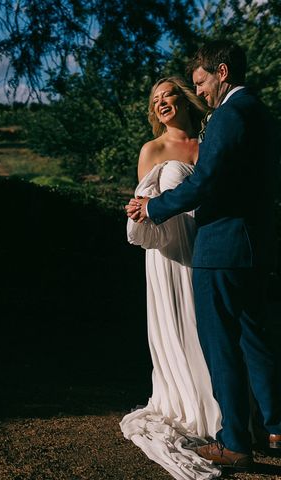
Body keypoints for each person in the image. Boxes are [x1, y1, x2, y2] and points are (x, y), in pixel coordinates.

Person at [126, 40, 281, 472]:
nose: (202, 91)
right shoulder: (264, 115)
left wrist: (155, 207)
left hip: (220, 246)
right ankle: (275, 426)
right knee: (255, 339)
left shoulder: (230, 115)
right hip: (254, 244)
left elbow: (207, 182)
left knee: (221, 346)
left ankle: (234, 443)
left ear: (223, 72)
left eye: (201, 81)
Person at [120, 76, 224, 480]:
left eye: (169, 96)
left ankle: (223, 410)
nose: (162, 103)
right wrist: (137, 209)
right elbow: (145, 203)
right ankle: (188, 404)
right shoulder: (153, 149)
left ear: (184, 100)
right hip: (169, 254)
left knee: (212, 329)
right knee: (183, 327)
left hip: (208, 246)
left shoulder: (208, 143)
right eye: (156, 100)